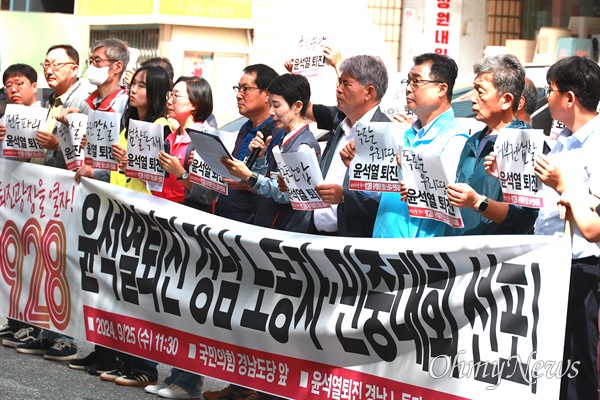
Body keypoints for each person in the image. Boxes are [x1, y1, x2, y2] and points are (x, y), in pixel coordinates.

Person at [202, 63, 282, 400]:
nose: (238, 94)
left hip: (252, 228)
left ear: (266, 94)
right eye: (237, 88)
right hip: (227, 223)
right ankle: (237, 385)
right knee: (232, 311)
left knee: (252, 312)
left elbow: (272, 185)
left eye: (245, 88)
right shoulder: (244, 129)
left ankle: (254, 388)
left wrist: (245, 179)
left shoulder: (273, 133)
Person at [13, 44, 94, 361]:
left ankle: (65, 338)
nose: (49, 69)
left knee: (67, 261)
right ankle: (48, 331)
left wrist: (58, 143)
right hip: (50, 192)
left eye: (56, 64)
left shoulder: (83, 101)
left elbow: (84, 151)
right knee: (49, 260)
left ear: (75, 68)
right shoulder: (52, 99)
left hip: (73, 192)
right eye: (45, 63)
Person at [532, 56, 600, 400]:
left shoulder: (597, 143)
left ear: (570, 98)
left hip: (583, 268)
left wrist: (564, 187)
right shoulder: (564, 140)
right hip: (553, 262)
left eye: (551, 90)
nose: (547, 97)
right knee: (553, 365)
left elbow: (594, 222)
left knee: (577, 366)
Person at [372, 53, 468, 238]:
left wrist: (410, 166)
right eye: (407, 82)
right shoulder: (405, 134)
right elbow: (386, 194)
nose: (408, 89)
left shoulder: (455, 138)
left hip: (416, 255)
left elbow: (446, 198)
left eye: (416, 82)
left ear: (441, 89)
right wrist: (359, 164)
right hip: (383, 245)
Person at [445, 54, 537, 236]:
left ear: (507, 100)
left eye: (481, 91)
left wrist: (479, 202)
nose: (472, 98)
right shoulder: (473, 141)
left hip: (493, 259)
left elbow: (523, 219)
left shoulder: (523, 145)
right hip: (457, 254)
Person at [222, 73, 321, 232]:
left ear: (297, 106)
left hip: (287, 232)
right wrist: (260, 159)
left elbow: (287, 196)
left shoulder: (304, 147)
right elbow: (270, 183)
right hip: (269, 225)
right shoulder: (285, 139)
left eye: (277, 105)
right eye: (270, 106)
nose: (271, 112)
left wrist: (248, 176)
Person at [316, 55, 390, 237]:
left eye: (346, 84)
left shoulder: (385, 134)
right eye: (339, 83)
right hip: (316, 236)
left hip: (354, 244)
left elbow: (388, 199)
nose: (338, 90)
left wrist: (344, 196)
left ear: (369, 92)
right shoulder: (340, 126)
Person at [0, 63, 41, 342]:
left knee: (33, 263)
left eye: (20, 84)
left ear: (34, 86)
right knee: (11, 260)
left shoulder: (45, 116)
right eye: (9, 85)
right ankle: (15, 320)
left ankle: (32, 324)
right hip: (10, 200)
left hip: (36, 201)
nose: (14, 90)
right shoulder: (5, 117)